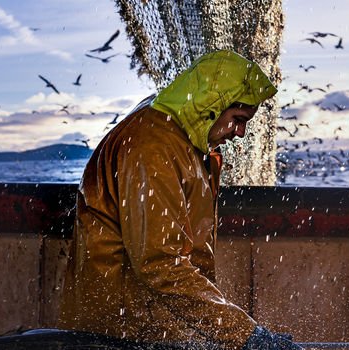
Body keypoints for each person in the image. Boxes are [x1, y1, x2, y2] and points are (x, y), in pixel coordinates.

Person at [57, 50, 302, 350]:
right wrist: (245, 336)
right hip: (117, 334)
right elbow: (160, 264)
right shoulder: (152, 145)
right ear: (212, 105)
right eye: (238, 119)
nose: (241, 133)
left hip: (150, 328)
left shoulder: (187, 142)